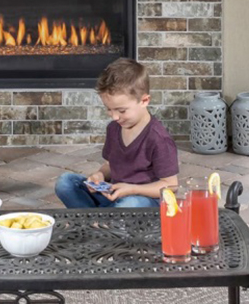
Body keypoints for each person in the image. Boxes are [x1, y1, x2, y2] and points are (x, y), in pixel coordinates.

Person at [55, 58, 178, 208]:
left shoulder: (158, 138)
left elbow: (171, 185)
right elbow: (110, 165)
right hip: (113, 194)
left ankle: (100, 221)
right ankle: (98, 221)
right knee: (65, 182)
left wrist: (131, 189)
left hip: (142, 201)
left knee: (129, 204)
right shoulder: (114, 128)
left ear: (144, 100)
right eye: (109, 109)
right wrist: (100, 174)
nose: (114, 117)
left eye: (121, 110)